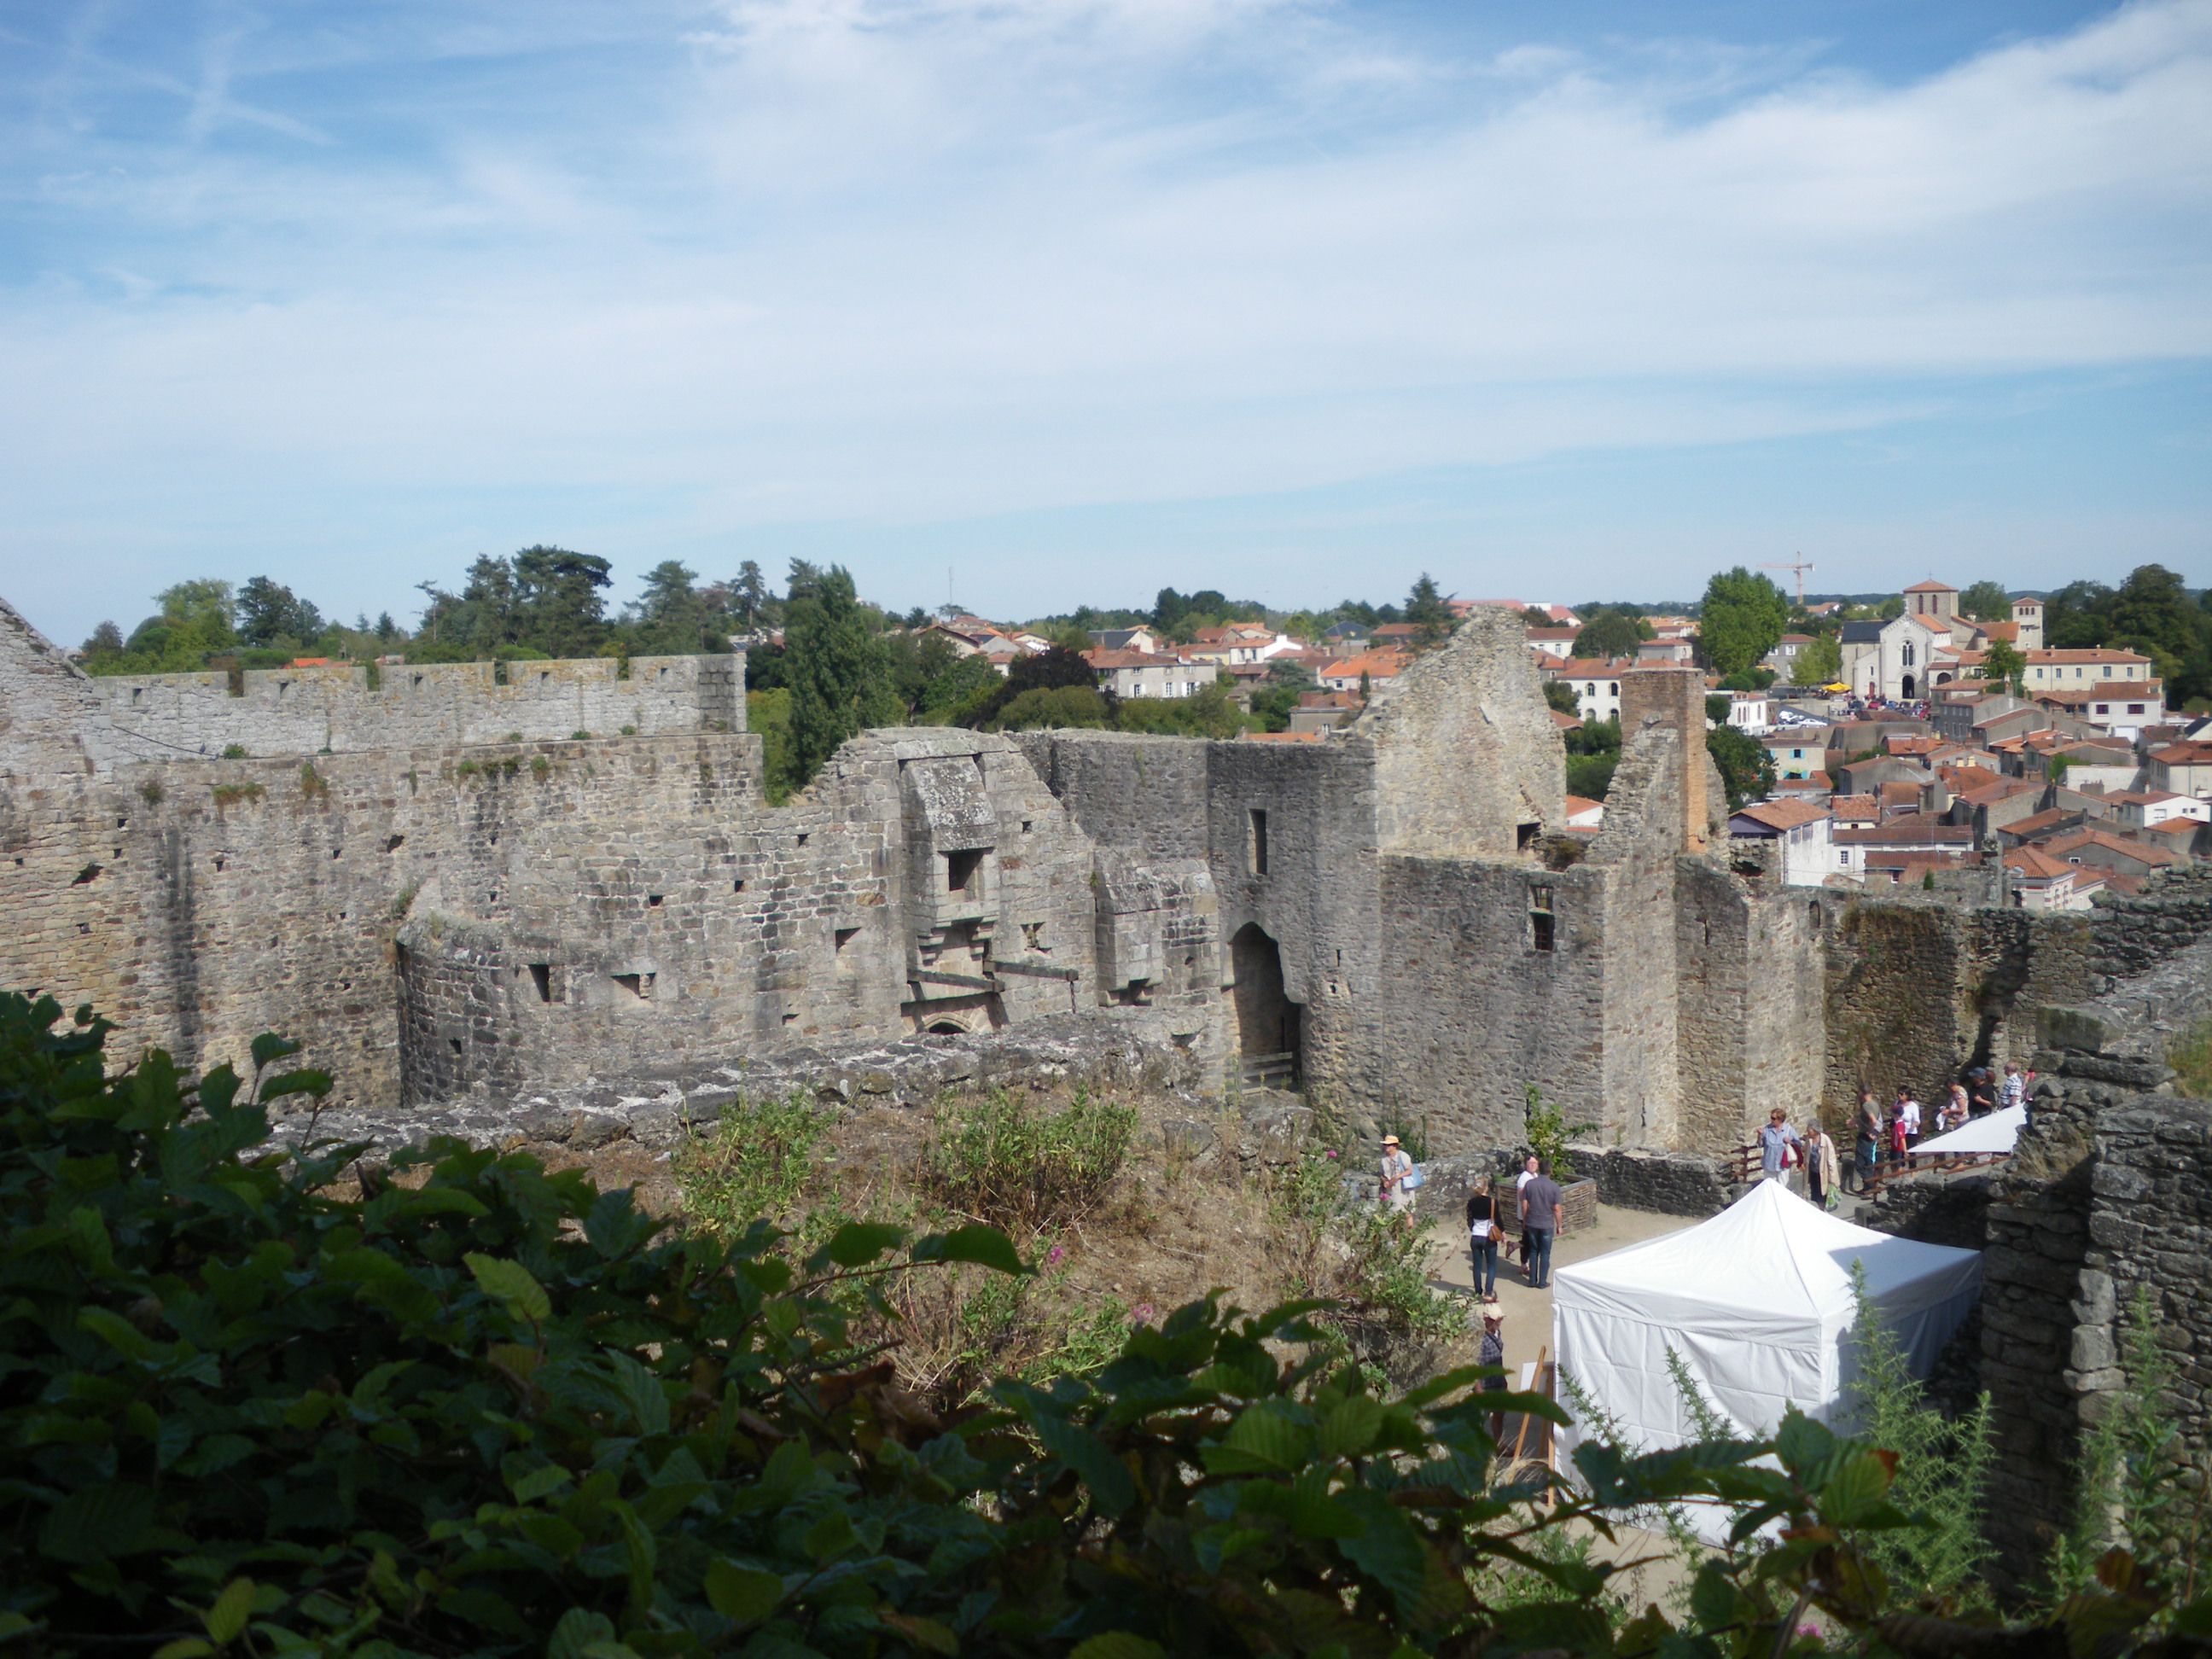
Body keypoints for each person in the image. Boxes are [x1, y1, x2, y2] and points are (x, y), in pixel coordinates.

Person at [1519, 1159, 1563, 1289]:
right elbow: (1556, 1208)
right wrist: (1559, 1225)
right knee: (1545, 1253)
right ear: (1550, 1171)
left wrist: (1525, 1219)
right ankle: (1542, 1282)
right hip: (1546, 1223)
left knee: (1533, 1251)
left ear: (1539, 1169)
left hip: (1532, 1222)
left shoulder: (1530, 1184)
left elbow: (1524, 1204)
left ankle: (1532, 1280)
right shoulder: (1554, 1187)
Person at [1465, 1176, 1502, 1297]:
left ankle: (1477, 1291)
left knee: (1477, 1265)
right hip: (1488, 1237)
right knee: (1491, 1265)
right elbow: (1498, 1220)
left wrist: (1473, 1229)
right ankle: (1489, 1291)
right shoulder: (1492, 1202)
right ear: (1486, 1187)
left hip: (1475, 1236)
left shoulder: (1471, 1202)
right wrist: (1502, 1233)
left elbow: (1469, 1219)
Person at [1756, 1108, 1802, 1190]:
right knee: (1769, 1189)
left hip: (1783, 1166)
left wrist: (1790, 1142)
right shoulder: (1767, 1129)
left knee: (1782, 1189)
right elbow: (1760, 1145)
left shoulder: (1789, 1130)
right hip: (1769, 1165)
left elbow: (1799, 1145)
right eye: (1771, 1117)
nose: (1771, 1120)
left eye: (1773, 1118)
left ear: (1780, 1120)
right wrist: (1759, 1135)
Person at [1803, 1121, 1842, 1208]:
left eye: (1809, 1129)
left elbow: (1831, 1159)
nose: (1808, 1131)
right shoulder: (1809, 1140)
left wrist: (1832, 1178)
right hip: (1813, 1172)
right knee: (1815, 1196)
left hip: (1823, 1173)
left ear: (1815, 1130)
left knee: (1822, 1195)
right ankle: (1820, 1211)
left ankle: (1822, 1211)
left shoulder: (1825, 1140)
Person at [1379, 1134, 1414, 1219]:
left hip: (1403, 1188)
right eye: (1385, 1145)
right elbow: (1381, 1173)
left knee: (1407, 1211)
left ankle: (1409, 1231)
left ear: (1395, 1146)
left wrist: (1397, 1177)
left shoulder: (1402, 1156)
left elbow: (1409, 1171)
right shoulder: (1383, 1158)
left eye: (1388, 1145)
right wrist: (1385, 1181)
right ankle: (1396, 1231)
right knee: (1393, 1211)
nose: (1386, 1147)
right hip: (1392, 1189)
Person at [1854, 1088, 1882, 1189]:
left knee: (1860, 1164)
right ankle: (1868, 1187)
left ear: (1862, 1093)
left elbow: (1873, 1120)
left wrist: (1869, 1131)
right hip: (1871, 1136)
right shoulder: (1875, 1104)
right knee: (1868, 1161)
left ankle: (1870, 1186)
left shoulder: (1866, 1105)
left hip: (1865, 1136)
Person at [1898, 1089, 1924, 1154]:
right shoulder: (1897, 1104)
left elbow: (1917, 1120)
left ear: (1907, 1095)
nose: (1899, 1095)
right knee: (1900, 1154)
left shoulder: (1913, 1106)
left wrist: (1914, 1125)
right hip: (1900, 1133)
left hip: (1910, 1133)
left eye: (1901, 1094)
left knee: (1911, 1154)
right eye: (1898, 1093)